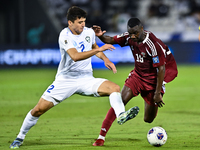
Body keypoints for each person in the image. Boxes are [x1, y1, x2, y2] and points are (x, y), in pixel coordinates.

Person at [9, 7, 139, 149]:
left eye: (84, 21)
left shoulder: (88, 32)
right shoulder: (64, 36)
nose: (83, 25)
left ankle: (121, 115)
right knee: (38, 110)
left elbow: (94, 46)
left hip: (86, 79)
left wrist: (105, 59)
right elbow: (75, 56)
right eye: (79, 22)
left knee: (114, 88)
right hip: (65, 80)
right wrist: (98, 50)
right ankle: (19, 138)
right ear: (70, 22)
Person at [92, 17, 178, 146]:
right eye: (130, 33)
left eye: (135, 33)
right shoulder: (129, 37)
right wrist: (100, 36)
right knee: (119, 101)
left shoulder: (153, 44)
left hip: (153, 80)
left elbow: (161, 69)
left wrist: (157, 93)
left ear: (142, 29)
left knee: (148, 119)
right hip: (137, 76)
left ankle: (150, 96)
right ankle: (101, 137)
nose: (132, 36)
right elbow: (110, 39)